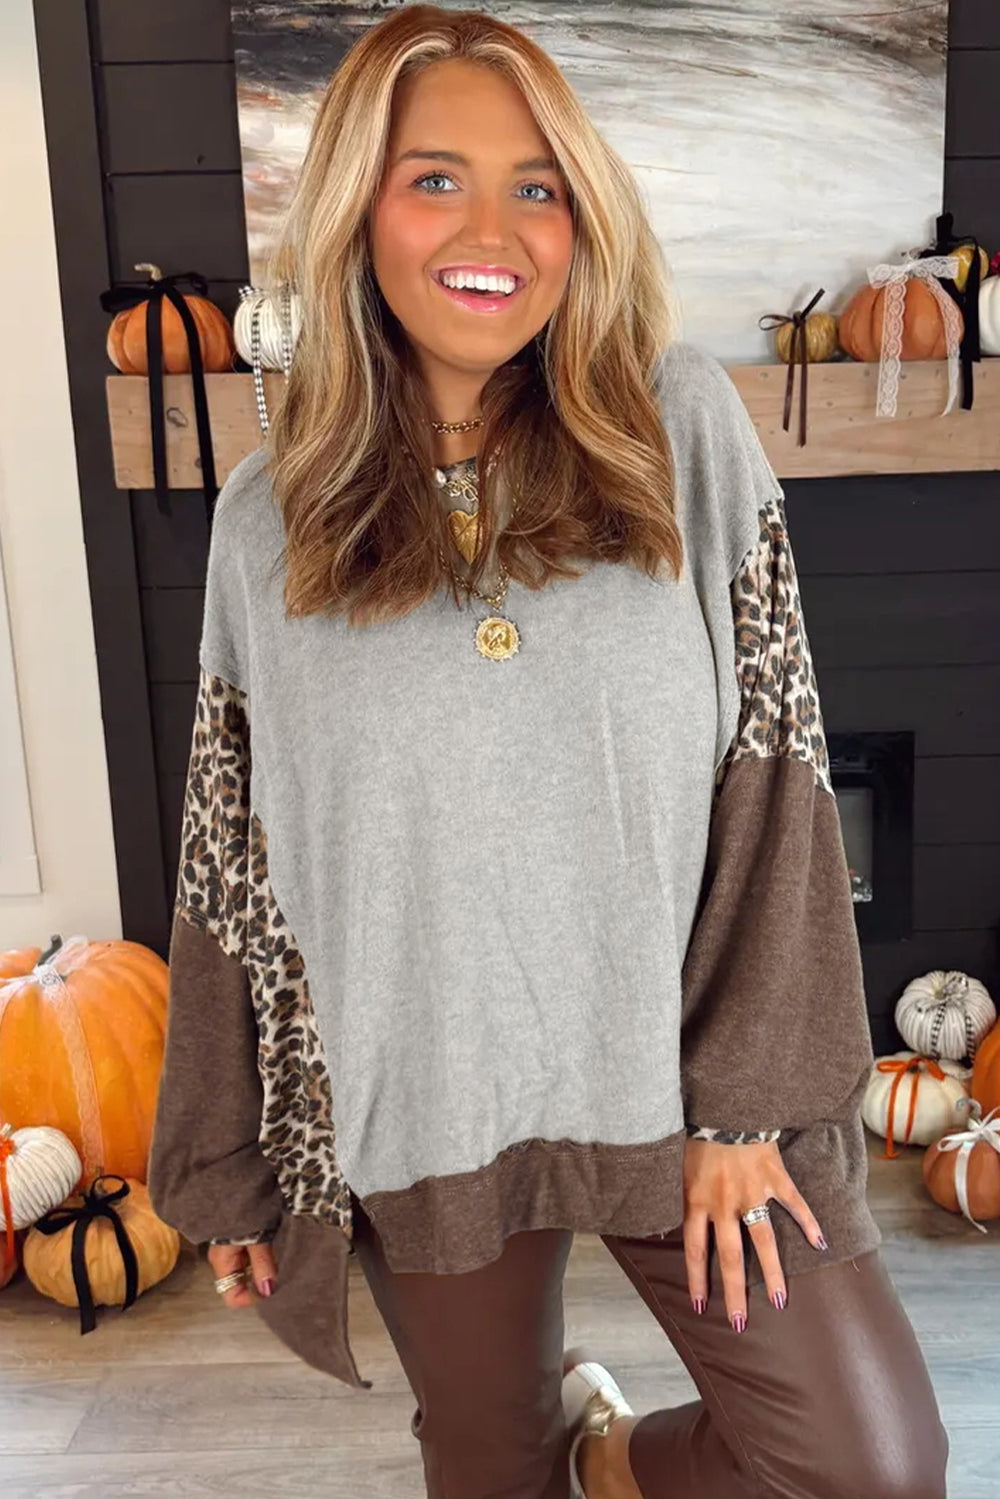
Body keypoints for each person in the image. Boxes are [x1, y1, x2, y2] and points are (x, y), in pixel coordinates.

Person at [147, 6, 951, 1496]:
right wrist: (225, 1155)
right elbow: (233, 857)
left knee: (865, 1469)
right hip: (425, 1095)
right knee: (487, 1464)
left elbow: (777, 773)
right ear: (357, 208)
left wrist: (742, 1103)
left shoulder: (675, 427)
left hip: (678, 1084)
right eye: (433, 179)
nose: (494, 230)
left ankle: (614, 1464)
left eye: (538, 185)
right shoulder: (267, 519)